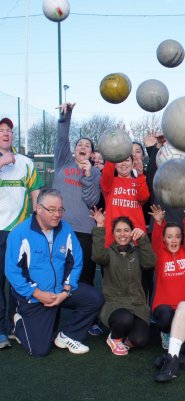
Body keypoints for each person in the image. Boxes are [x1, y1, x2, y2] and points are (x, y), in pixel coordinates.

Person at [5, 188, 104, 356]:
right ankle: (17, 321)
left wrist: (66, 290)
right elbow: (13, 272)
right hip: (35, 296)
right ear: (38, 208)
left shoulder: (65, 229)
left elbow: (76, 261)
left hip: (60, 291)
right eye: (52, 209)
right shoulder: (19, 233)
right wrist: (37, 293)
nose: (57, 214)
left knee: (95, 298)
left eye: (60, 209)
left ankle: (68, 335)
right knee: (39, 350)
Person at [0, 116, 44, 349]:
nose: (6, 133)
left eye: (9, 130)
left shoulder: (25, 162)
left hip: (19, 231)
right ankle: (0, 330)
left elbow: (36, 191)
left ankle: (16, 325)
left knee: (20, 280)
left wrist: (35, 217)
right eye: (1, 130)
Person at [90, 210, 156, 355]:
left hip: (137, 305)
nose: (122, 234)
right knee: (124, 319)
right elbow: (97, 256)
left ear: (132, 233)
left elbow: (150, 262)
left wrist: (143, 239)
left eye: (126, 230)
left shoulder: (138, 252)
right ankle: (114, 337)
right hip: (115, 304)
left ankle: (126, 336)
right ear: (113, 234)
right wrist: (100, 225)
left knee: (141, 340)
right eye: (118, 231)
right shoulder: (108, 253)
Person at [52, 103, 101, 287]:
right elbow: (62, 139)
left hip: (84, 232)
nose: (83, 146)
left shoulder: (95, 172)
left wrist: (88, 176)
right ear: (74, 150)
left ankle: (86, 315)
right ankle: (51, 314)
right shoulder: (64, 162)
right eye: (80, 144)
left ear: (91, 153)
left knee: (84, 278)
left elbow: (92, 201)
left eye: (87, 145)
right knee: (56, 275)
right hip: (59, 227)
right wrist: (67, 116)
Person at [149, 204, 185, 348]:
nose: (174, 240)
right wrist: (158, 223)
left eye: (177, 236)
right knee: (165, 315)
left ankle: (184, 333)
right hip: (165, 308)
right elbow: (156, 240)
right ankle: (166, 332)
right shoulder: (159, 255)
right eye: (169, 237)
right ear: (164, 239)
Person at [100, 152, 150, 248]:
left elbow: (143, 197)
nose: (123, 163)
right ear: (115, 165)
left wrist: (140, 175)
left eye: (127, 160)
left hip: (136, 237)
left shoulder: (139, 181)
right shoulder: (110, 183)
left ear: (132, 164)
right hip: (112, 239)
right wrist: (113, 153)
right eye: (119, 161)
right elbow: (107, 172)